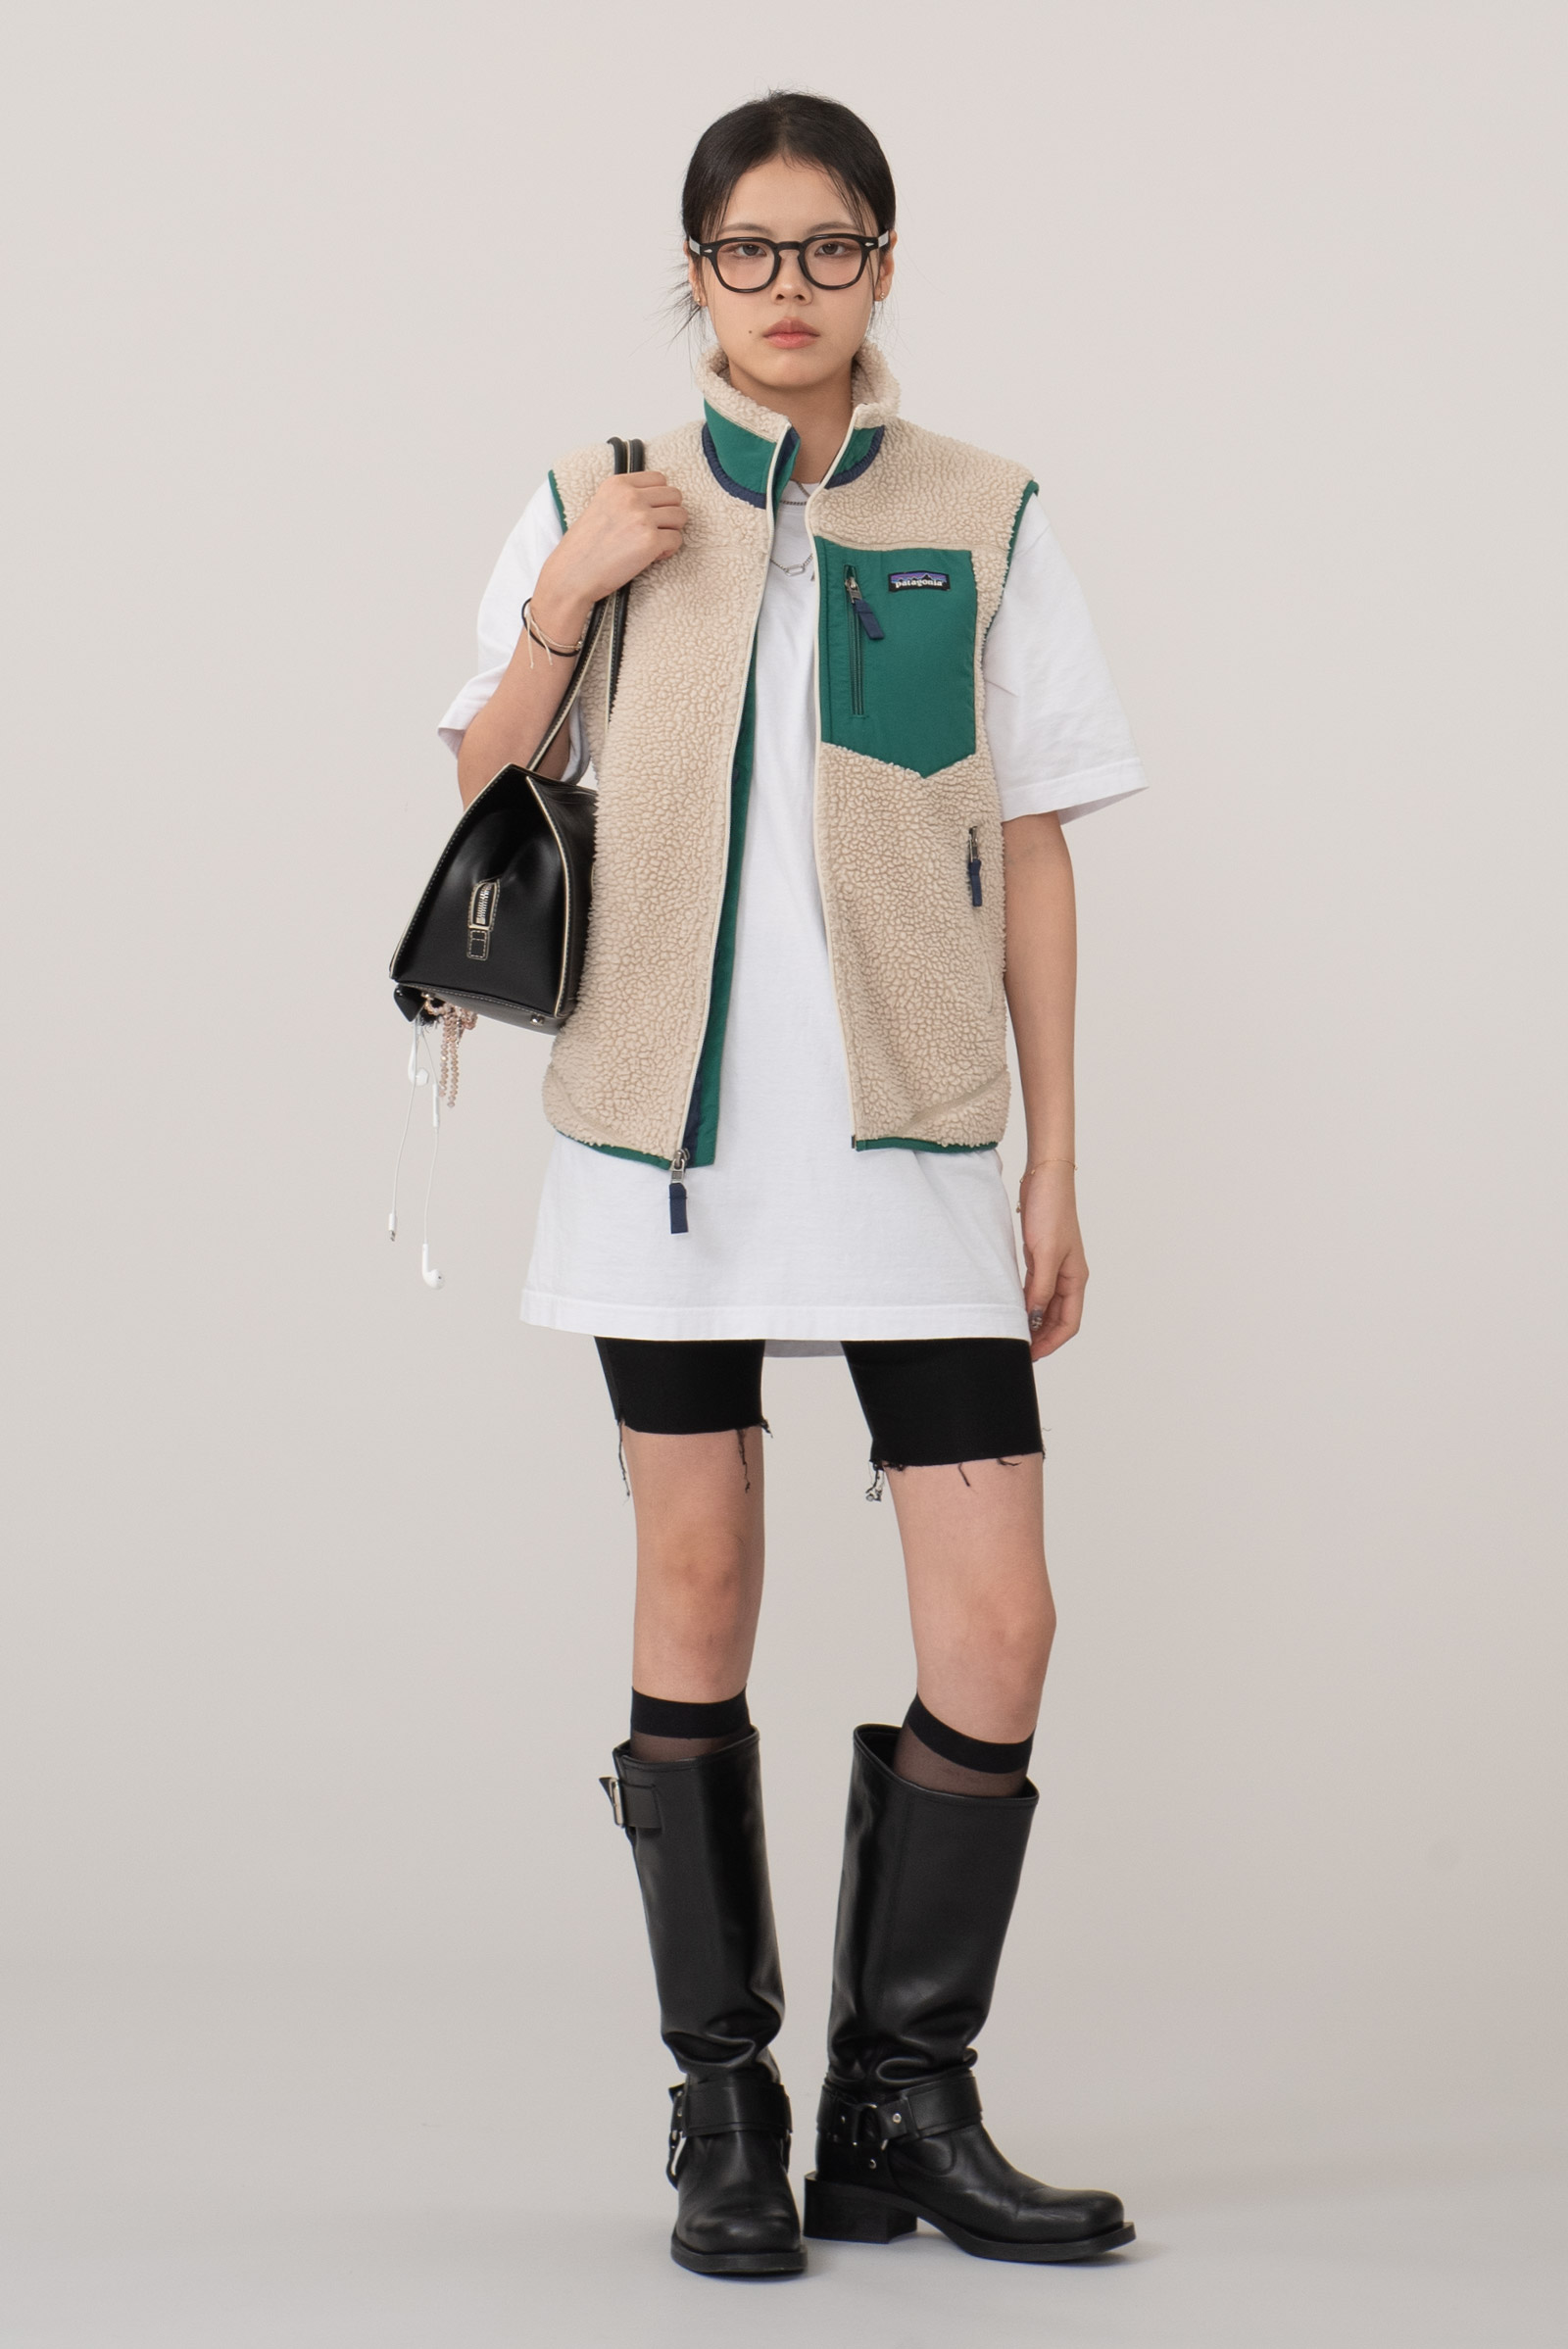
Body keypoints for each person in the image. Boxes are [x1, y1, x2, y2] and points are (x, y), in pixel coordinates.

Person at [438, 91, 1147, 2279]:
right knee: (698, 1577)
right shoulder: (594, 494)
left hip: (914, 1136)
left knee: (999, 1620)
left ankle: (902, 2102)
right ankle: (725, 2109)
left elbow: (1034, 840)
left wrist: (1054, 1157)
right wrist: (569, 593)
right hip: (663, 1143)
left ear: (882, 263)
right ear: (695, 273)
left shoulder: (982, 509)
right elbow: (482, 783)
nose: (785, 288)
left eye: (826, 247)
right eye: (744, 252)